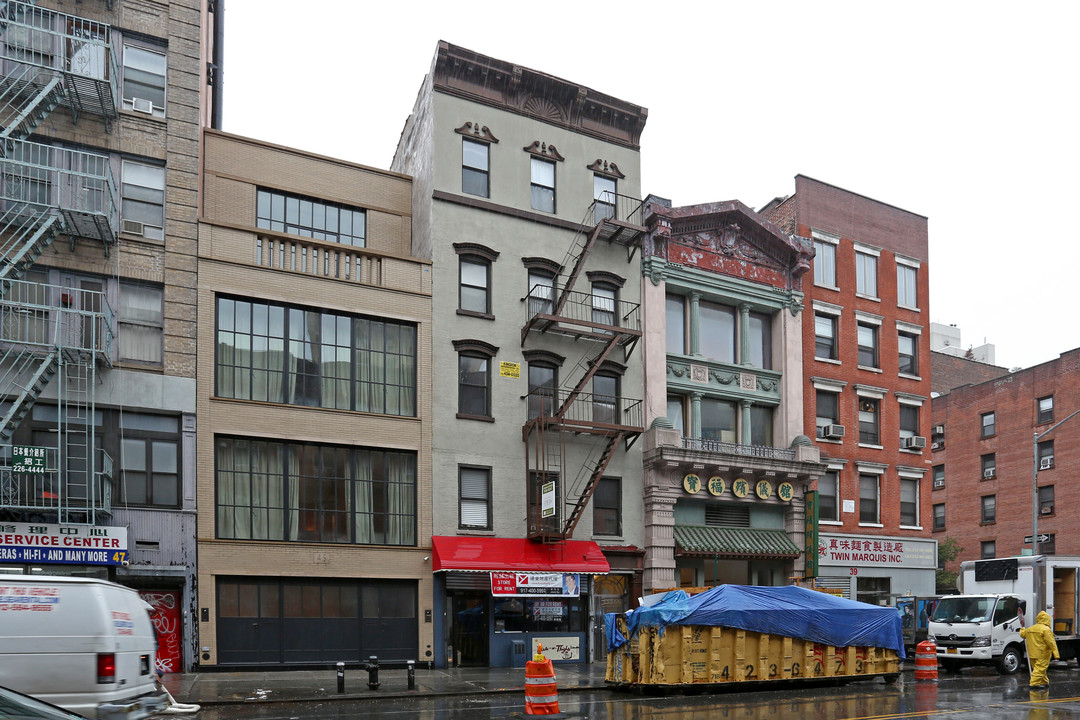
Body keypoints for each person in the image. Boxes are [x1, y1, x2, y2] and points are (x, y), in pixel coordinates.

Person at [1019, 610, 1059, 689]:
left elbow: (1023, 635)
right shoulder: (1046, 630)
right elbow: (1051, 642)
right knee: (1040, 669)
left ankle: (1044, 682)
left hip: (1032, 653)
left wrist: (1022, 629)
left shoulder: (1031, 628)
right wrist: (1056, 654)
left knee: (1038, 669)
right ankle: (1034, 684)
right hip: (1042, 653)